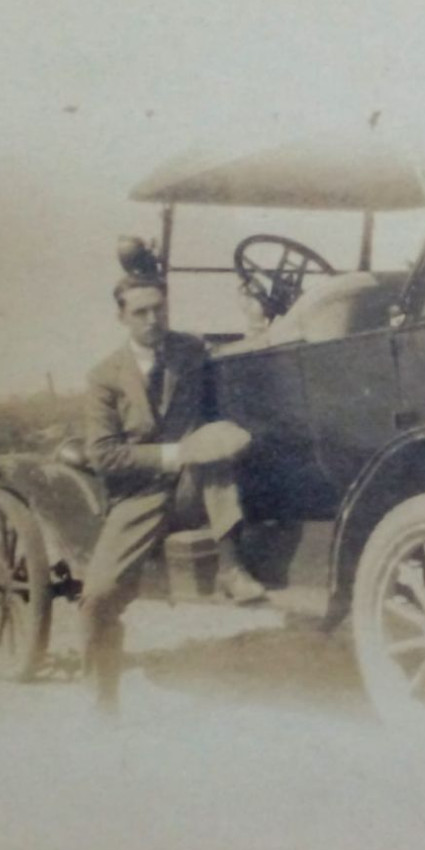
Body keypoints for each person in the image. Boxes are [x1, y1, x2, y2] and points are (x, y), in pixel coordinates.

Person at [78, 272, 266, 715]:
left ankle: (231, 568)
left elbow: (242, 353)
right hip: (139, 496)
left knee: (214, 442)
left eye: (158, 308)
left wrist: (257, 321)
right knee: (98, 596)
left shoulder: (191, 351)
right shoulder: (104, 377)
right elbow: (104, 455)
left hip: (194, 486)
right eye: (140, 312)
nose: (152, 319)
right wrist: (173, 453)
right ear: (122, 317)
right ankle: (103, 703)